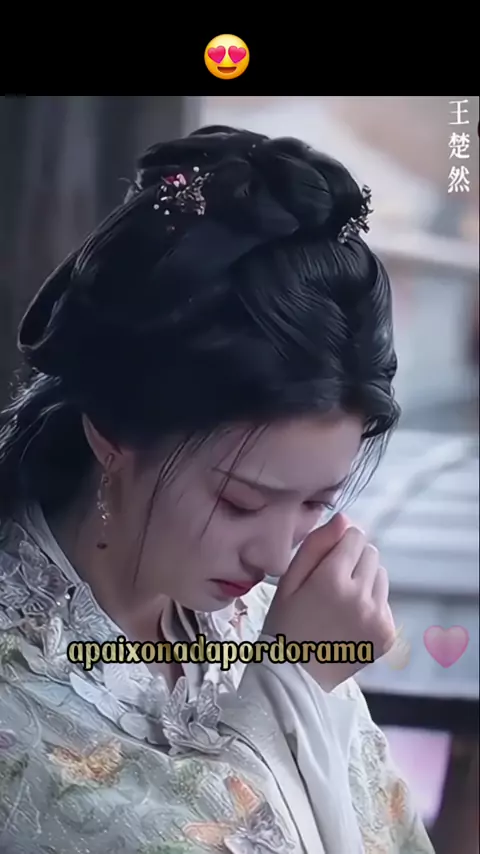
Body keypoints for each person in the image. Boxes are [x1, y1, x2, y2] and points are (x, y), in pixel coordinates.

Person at [0, 126, 434, 853]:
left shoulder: (271, 617)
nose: (276, 556)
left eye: (316, 503)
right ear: (113, 434)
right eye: (240, 502)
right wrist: (293, 683)